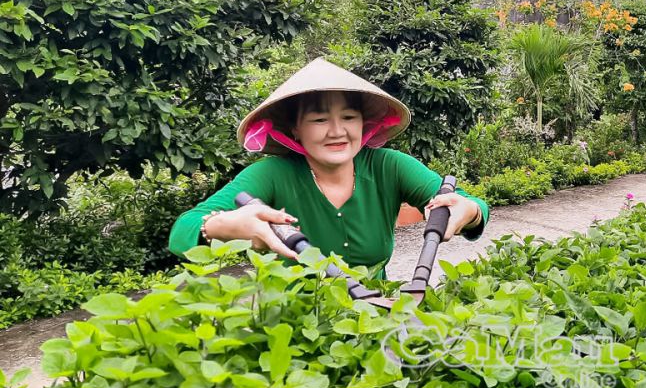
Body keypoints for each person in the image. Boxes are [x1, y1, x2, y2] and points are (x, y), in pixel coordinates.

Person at [168, 58, 488, 278]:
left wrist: (468, 210)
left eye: (348, 117)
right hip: (293, 331)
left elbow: (466, 203)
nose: (337, 131)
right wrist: (224, 227)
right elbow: (183, 230)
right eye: (319, 119)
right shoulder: (272, 175)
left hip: (376, 322)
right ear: (295, 129)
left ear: (364, 124)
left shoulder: (389, 167)